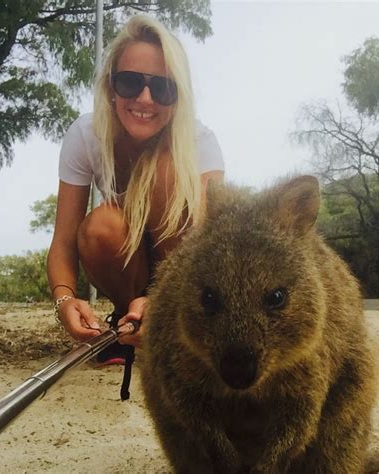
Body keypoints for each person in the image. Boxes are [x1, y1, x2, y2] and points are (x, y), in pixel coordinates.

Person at [48, 15, 224, 361]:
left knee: (167, 172)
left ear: (178, 98)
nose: (145, 99)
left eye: (163, 88)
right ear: (110, 86)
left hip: (179, 274)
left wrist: (164, 300)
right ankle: (125, 318)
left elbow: (208, 247)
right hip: (127, 263)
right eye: (130, 82)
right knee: (101, 227)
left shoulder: (200, 143)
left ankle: (174, 320)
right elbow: (64, 241)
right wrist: (65, 300)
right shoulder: (85, 135)